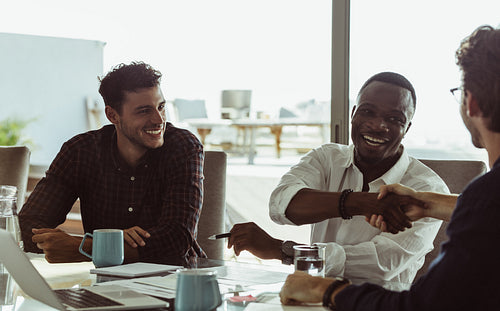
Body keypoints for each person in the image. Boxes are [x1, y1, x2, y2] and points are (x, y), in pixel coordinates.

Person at [279, 25, 500, 310]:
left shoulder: (485, 196)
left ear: (471, 102)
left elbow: (424, 306)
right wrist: (430, 204)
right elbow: (281, 202)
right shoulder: (482, 199)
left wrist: (328, 290)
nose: (378, 125)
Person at [228, 72, 449, 284]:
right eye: (368, 112)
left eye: (394, 119)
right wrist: (363, 203)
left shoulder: (426, 190)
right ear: (353, 114)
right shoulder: (327, 158)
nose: (377, 125)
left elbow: (380, 265)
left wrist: (284, 251)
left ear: (407, 128)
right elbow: (281, 204)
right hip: (311, 300)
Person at [19, 61, 206, 266]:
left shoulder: (183, 146)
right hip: (106, 285)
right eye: (144, 111)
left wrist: (86, 248)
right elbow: (27, 226)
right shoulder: (81, 151)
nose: (158, 119)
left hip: (177, 284)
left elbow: (176, 240)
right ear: (112, 115)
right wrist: (111, 243)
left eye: (161, 107)